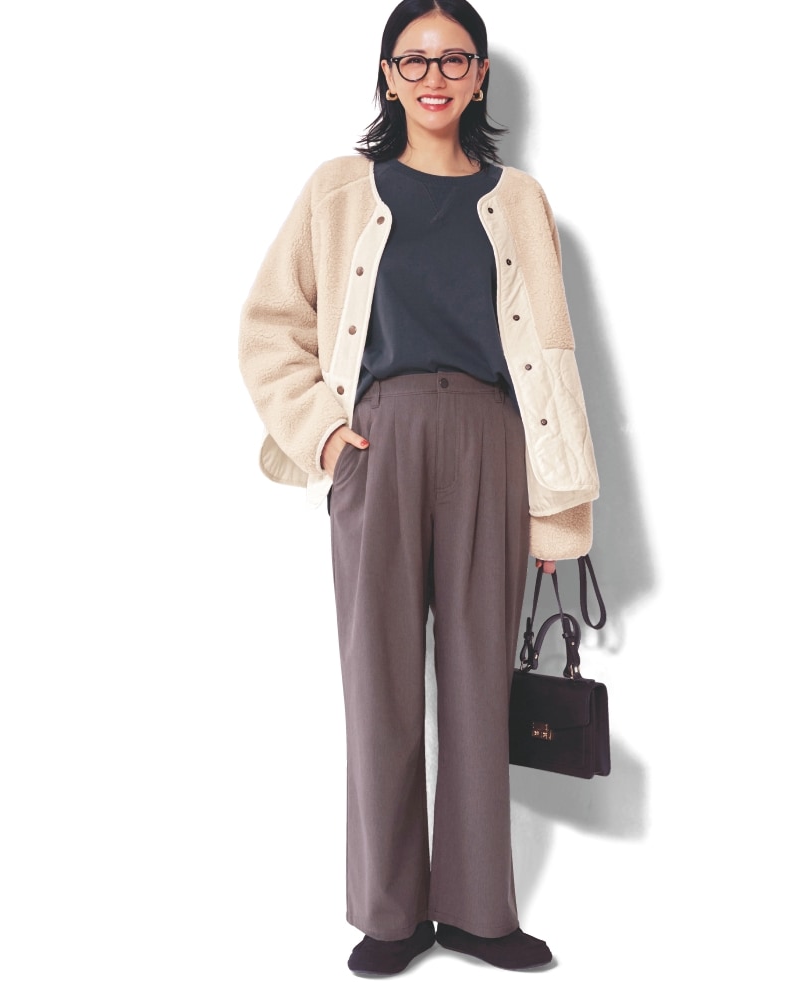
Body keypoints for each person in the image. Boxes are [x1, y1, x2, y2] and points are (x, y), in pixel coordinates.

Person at [239, 0, 598, 976]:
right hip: (378, 442)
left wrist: (557, 504)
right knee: (379, 681)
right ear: (387, 75)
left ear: (480, 76)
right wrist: (324, 435)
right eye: (414, 59)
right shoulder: (338, 190)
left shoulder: (518, 199)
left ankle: (478, 911)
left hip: (491, 442)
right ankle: (390, 914)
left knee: (481, 683)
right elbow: (270, 325)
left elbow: (551, 359)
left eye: (453, 59)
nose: (433, 76)